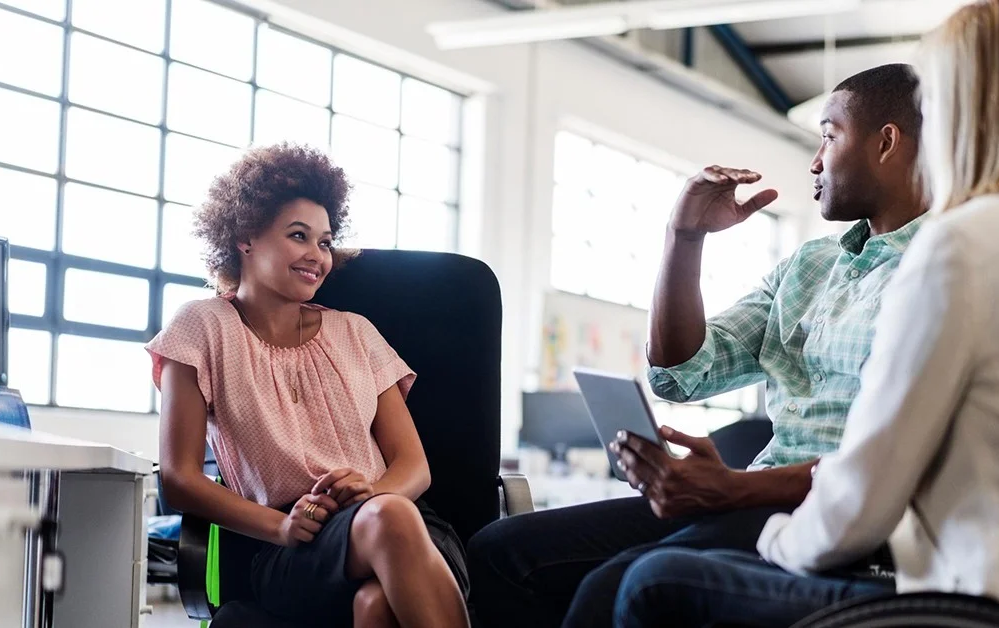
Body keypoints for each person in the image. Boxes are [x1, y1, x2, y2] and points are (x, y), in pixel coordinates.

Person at [613, 1, 999, 626]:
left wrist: (768, 536)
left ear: (952, 112)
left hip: (983, 605)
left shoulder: (962, 245)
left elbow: (860, 504)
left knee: (651, 585)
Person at [467, 63, 926, 628]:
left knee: (614, 587)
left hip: (835, 517)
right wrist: (685, 239)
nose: (814, 160)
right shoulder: (812, 265)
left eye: (828, 136)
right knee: (502, 550)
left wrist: (733, 487)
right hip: (756, 497)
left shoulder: (935, 270)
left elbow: (899, 463)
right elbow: (682, 373)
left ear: (886, 142)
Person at [149, 143, 471, 628]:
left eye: (324, 241)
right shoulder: (202, 327)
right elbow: (179, 478)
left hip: (408, 527)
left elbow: (414, 466)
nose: (316, 256)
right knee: (387, 528)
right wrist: (282, 526)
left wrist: (372, 493)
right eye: (298, 236)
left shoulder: (356, 332)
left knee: (376, 601)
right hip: (292, 548)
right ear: (245, 237)